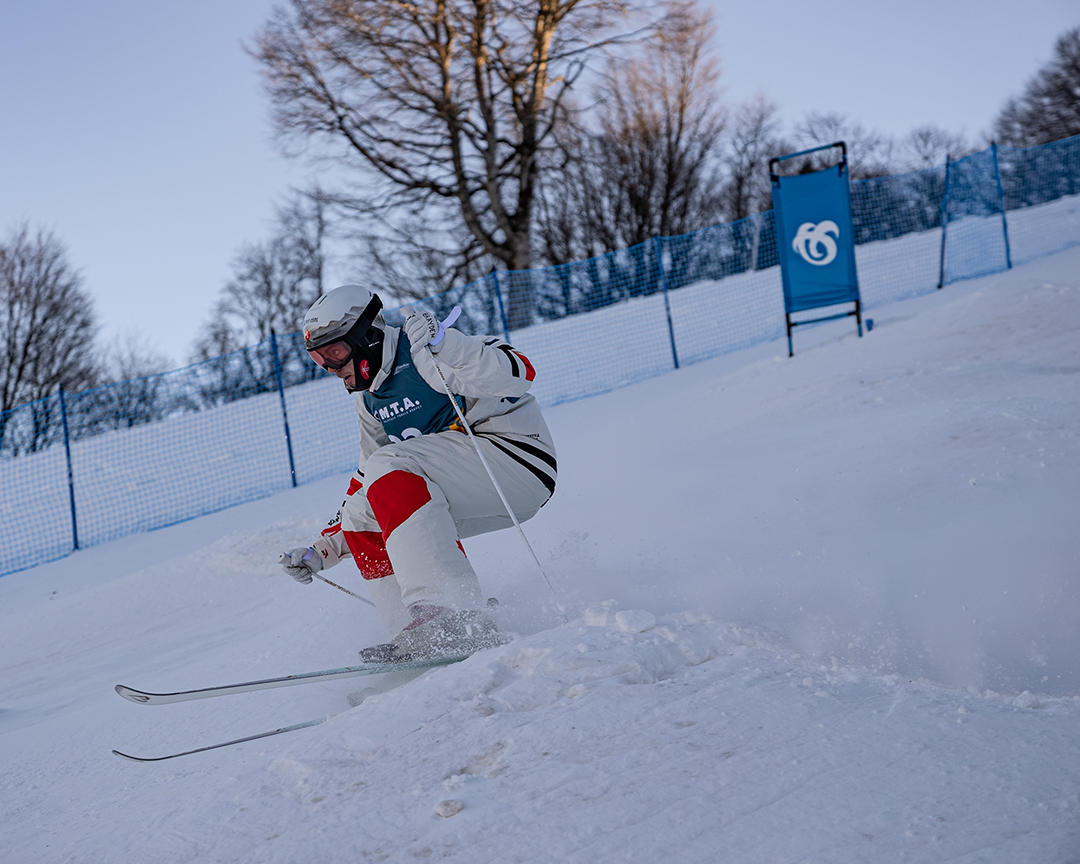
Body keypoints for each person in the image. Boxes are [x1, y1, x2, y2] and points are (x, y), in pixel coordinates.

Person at [279, 284, 556, 662]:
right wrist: (323, 549)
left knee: (388, 465)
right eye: (318, 358)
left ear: (366, 336)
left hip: (515, 460)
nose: (330, 367)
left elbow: (520, 373)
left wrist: (447, 344)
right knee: (364, 511)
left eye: (335, 352)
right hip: (467, 481)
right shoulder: (370, 400)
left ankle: (448, 611)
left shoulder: (425, 349)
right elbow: (367, 483)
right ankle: (414, 638)